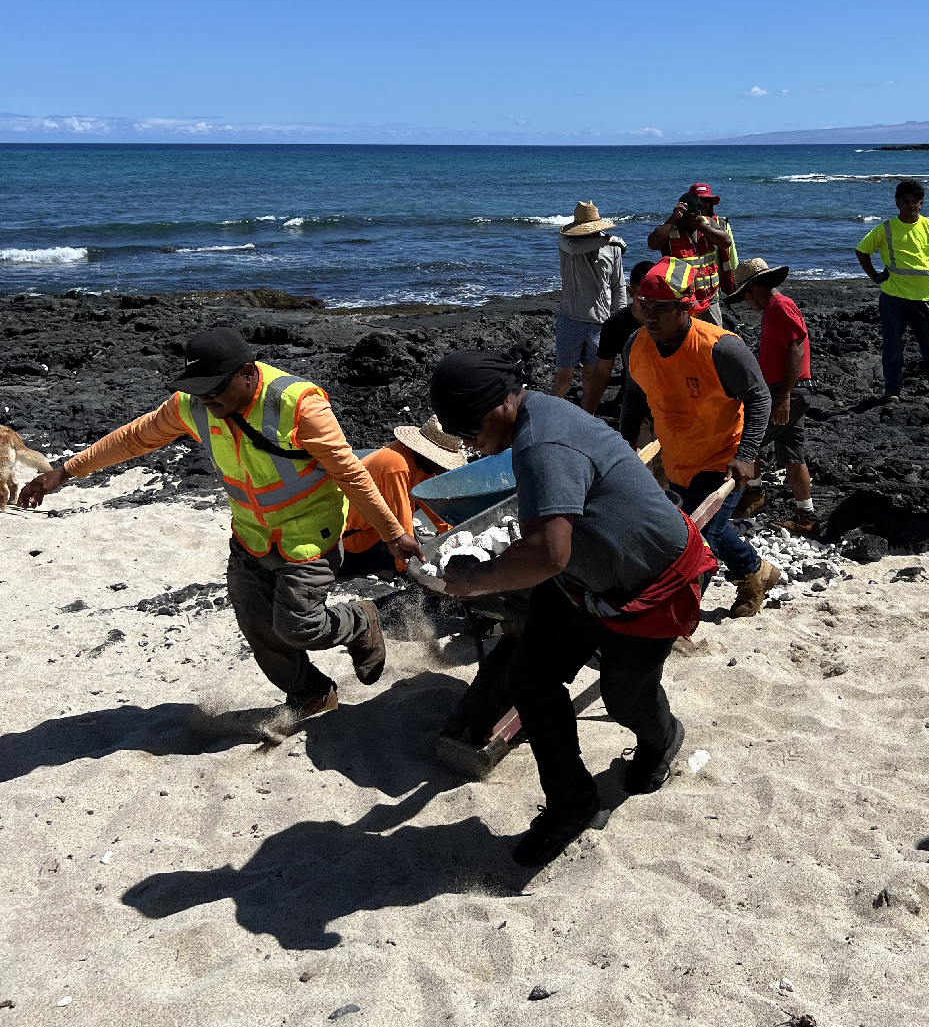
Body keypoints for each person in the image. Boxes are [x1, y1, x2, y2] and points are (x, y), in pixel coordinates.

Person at [18, 327, 420, 718]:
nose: (205, 398)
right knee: (258, 626)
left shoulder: (298, 406)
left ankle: (361, 620)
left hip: (309, 535)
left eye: (215, 387)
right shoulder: (192, 403)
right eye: (198, 387)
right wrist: (66, 471)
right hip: (250, 535)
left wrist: (393, 534)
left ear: (248, 373)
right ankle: (311, 694)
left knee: (298, 626)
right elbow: (135, 438)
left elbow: (350, 473)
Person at [426, 350, 717, 868]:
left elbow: (547, 552)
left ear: (496, 406)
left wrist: (470, 581)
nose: (467, 443)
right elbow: (551, 543)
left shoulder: (542, 444)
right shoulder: (532, 420)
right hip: (582, 580)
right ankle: (572, 802)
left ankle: (663, 736)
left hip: (648, 582)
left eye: (467, 429)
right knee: (530, 679)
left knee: (626, 699)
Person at [618, 258, 780, 618]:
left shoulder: (720, 348)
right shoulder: (636, 345)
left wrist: (747, 453)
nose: (652, 317)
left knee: (694, 538)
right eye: (646, 307)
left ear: (685, 306)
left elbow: (759, 397)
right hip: (677, 457)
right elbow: (632, 394)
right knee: (709, 531)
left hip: (724, 457)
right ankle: (757, 573)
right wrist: (624, 441)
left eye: (662, 309)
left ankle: (677, 618)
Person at [725, 257, 819, 535]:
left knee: (745, 438)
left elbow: (796, 350)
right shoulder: (773, 308)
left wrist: (784, 397)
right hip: (787, 390)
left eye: (743, 295)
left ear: (753, 287)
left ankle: (753, 495)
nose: (745, 303)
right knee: (793, 454)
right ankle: (806, 516)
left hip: (789, 390)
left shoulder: (780, 306)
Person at [855, 179, 929, 404]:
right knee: (892, 346)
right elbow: (862, 251)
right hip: (893, 297)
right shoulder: (885, 228)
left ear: (921, 204)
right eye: (905, 201)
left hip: (924, 299)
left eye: (914, 202)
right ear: (897, 203)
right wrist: (874, 277)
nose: (910, 205)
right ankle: (892, 390)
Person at [339, 415, 465, 579]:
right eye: (439, 462)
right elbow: (402, 519)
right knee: (395, 566)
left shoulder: (416, 461)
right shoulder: (398, 466)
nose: (441, 467)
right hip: (349, 539)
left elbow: (434, 504)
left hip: (373, 530)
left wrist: (456, 534)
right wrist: (407, 570)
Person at [553, 201, 627, 402]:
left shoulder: (613, 249)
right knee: (563, 379)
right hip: (570, 320)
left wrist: (620, 320)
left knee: (591, 378)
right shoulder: (566, 241)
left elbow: (618, 285)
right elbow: (576, 248)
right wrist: (607, 241)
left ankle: (586, 420)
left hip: (600, 324)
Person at [647, 182, 737, 326]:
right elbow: (652, 243)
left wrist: (700, 225)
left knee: (713, 339)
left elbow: (726, 242)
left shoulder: (706, 224)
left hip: (709, 298)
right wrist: (673, 218)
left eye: (697, 209)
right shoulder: (671, 228)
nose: (691, 215)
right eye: (687, 211)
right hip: (683, 301)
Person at [580, 258, 653, 414]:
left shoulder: (667, 321)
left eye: (655, 295)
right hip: (632, 394)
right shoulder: (615, 326)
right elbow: (602, 373)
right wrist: (587, 414)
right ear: (631, 292)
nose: (650, 303)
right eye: (643, 296)